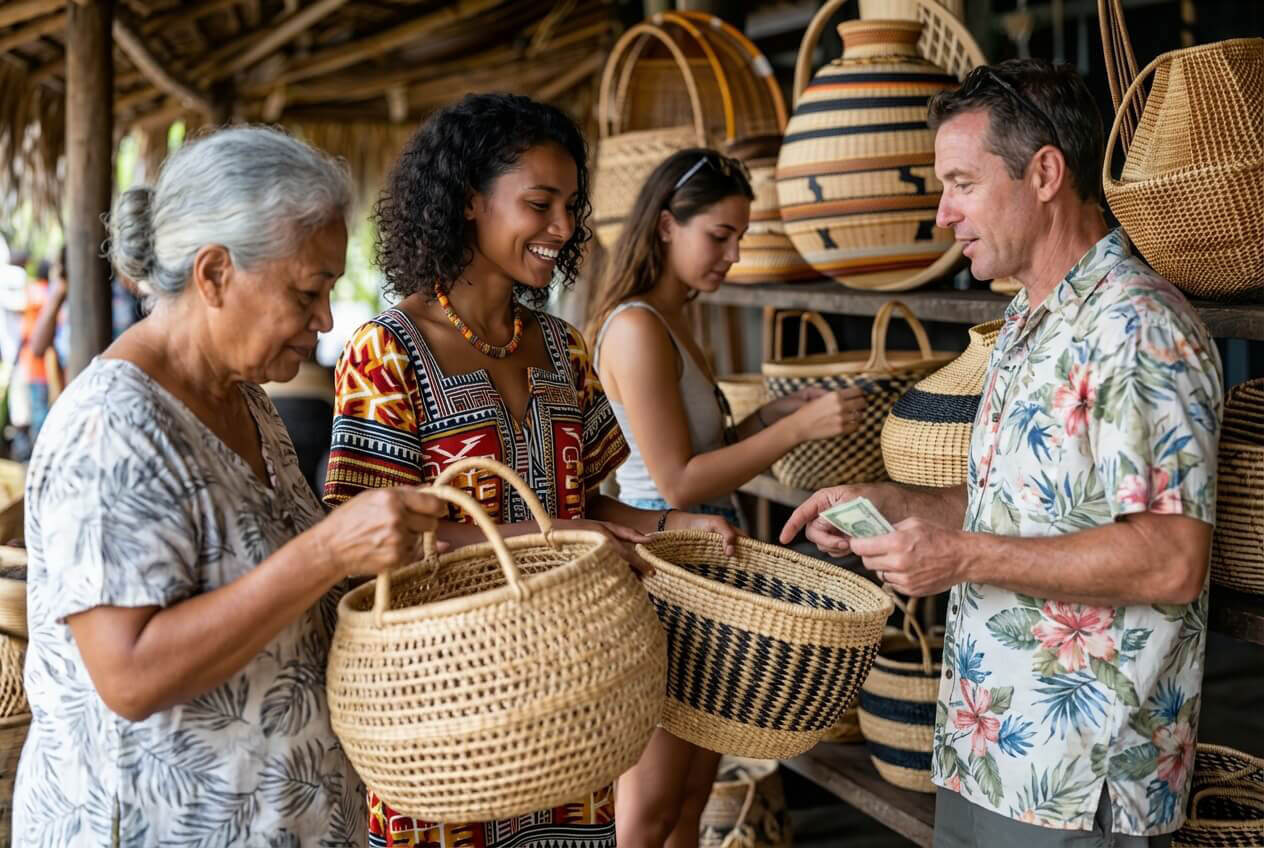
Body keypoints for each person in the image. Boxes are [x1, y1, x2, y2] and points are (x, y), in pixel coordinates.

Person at [781, 59, 1223, 847]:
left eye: (961, 182)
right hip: (987, 753)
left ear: (1045, 173)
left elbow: (1168, 559)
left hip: (1083, 777)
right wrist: (902, 508)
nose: (945, 212)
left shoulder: (1138, 329)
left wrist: (958, 556)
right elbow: (1021, 510)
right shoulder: (1026, 320)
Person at [323, 93, 742, 848]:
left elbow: (591, 503)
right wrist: (556, 537)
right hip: (447, 713)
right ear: (469, 204)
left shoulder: (562, 348)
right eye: (540, 204)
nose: (564, 228)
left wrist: (674, 527)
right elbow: (364, 547)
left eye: (571, 207)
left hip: (564, 709)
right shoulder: (386, 352)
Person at [13, 126, 450, 846]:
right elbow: (129, 676)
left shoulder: (243, 399)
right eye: (309, 290)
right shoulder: (113, 426)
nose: (325, 320)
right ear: (214, 274)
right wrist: (329, 554)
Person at [587, 148, 866, 848]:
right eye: (719, 235)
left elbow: (698, 452)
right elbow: (678, 479)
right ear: (663, 227)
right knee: (648, 810)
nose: (733, 255)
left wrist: (766, 421)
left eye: (740, 237)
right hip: (666, 572)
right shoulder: (638, 328)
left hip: (712, 574)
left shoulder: (678, 321)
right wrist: (797, 430)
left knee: (691, 799)